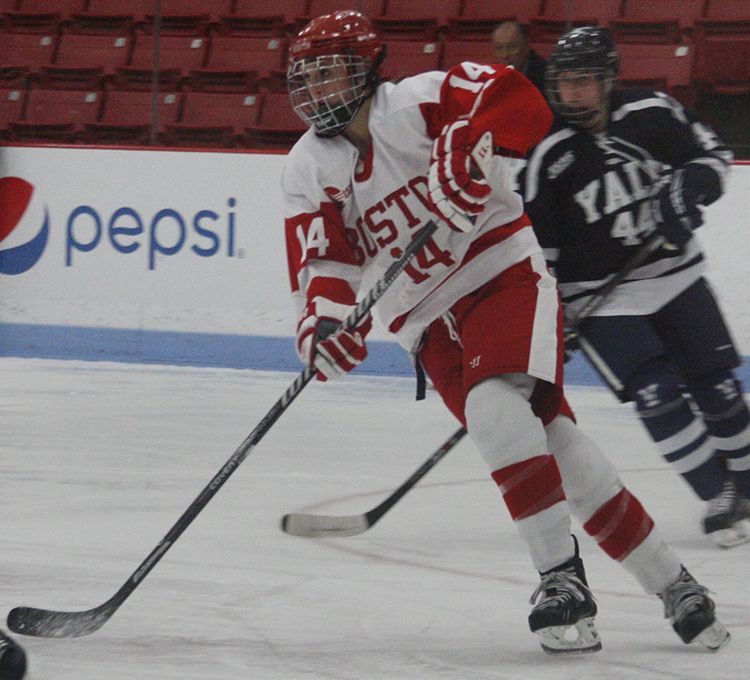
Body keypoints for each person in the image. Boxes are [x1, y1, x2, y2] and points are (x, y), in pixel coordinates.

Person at [282, 10, 729, 654]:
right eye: (307, 78)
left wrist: (468, 146)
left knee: (495, 408)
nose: (317, 91)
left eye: (329, 74)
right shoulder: (306, 167)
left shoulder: (418, 101)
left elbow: (514, 97)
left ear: (365, 68)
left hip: (499, 273)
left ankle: (560, 579)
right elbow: (324, 259)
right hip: (424, 321)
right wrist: (325, 323)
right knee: (556, 443)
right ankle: (674, 583)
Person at [521, 25, 750, 549]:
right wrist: (549, 317)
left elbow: (711, 156)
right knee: (658, 395)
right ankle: (719, 495)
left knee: (718, 389)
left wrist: (687, 190)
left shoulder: (652, 112)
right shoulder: (547, 155)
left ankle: (749, 485)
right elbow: (539, 255)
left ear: (608, 80)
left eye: (584, 82)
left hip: (675, 275)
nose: (573, 93)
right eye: (565, 83)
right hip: (600, 302)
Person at [491, 21, 547, 95]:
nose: (505, 55)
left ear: (526, 46)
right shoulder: (492, 77)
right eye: (499, 48)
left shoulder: (546, 76)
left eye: (512, 47)